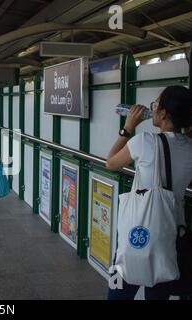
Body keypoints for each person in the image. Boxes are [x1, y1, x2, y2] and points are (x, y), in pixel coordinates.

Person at [106, 86, 192, 300]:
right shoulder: (190, 148)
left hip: (139, 230)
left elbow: (111, 162)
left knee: (118, 293)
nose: (152, 109)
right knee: (158, 292)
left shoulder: (144, 141)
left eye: (155, 105)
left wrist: (128, 127)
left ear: (163, 114)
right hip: (172, 232)